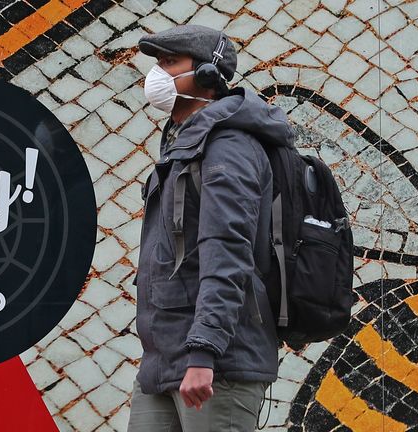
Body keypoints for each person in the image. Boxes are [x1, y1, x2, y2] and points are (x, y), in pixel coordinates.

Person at [127, 24, 296, 431]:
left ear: (206, 75)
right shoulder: (185, 142)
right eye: (157, 63)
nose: (157, 75)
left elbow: (227, 251)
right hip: (163, 361)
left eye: (170, 63)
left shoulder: (228, 148)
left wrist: (203, 352)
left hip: (218, 362)